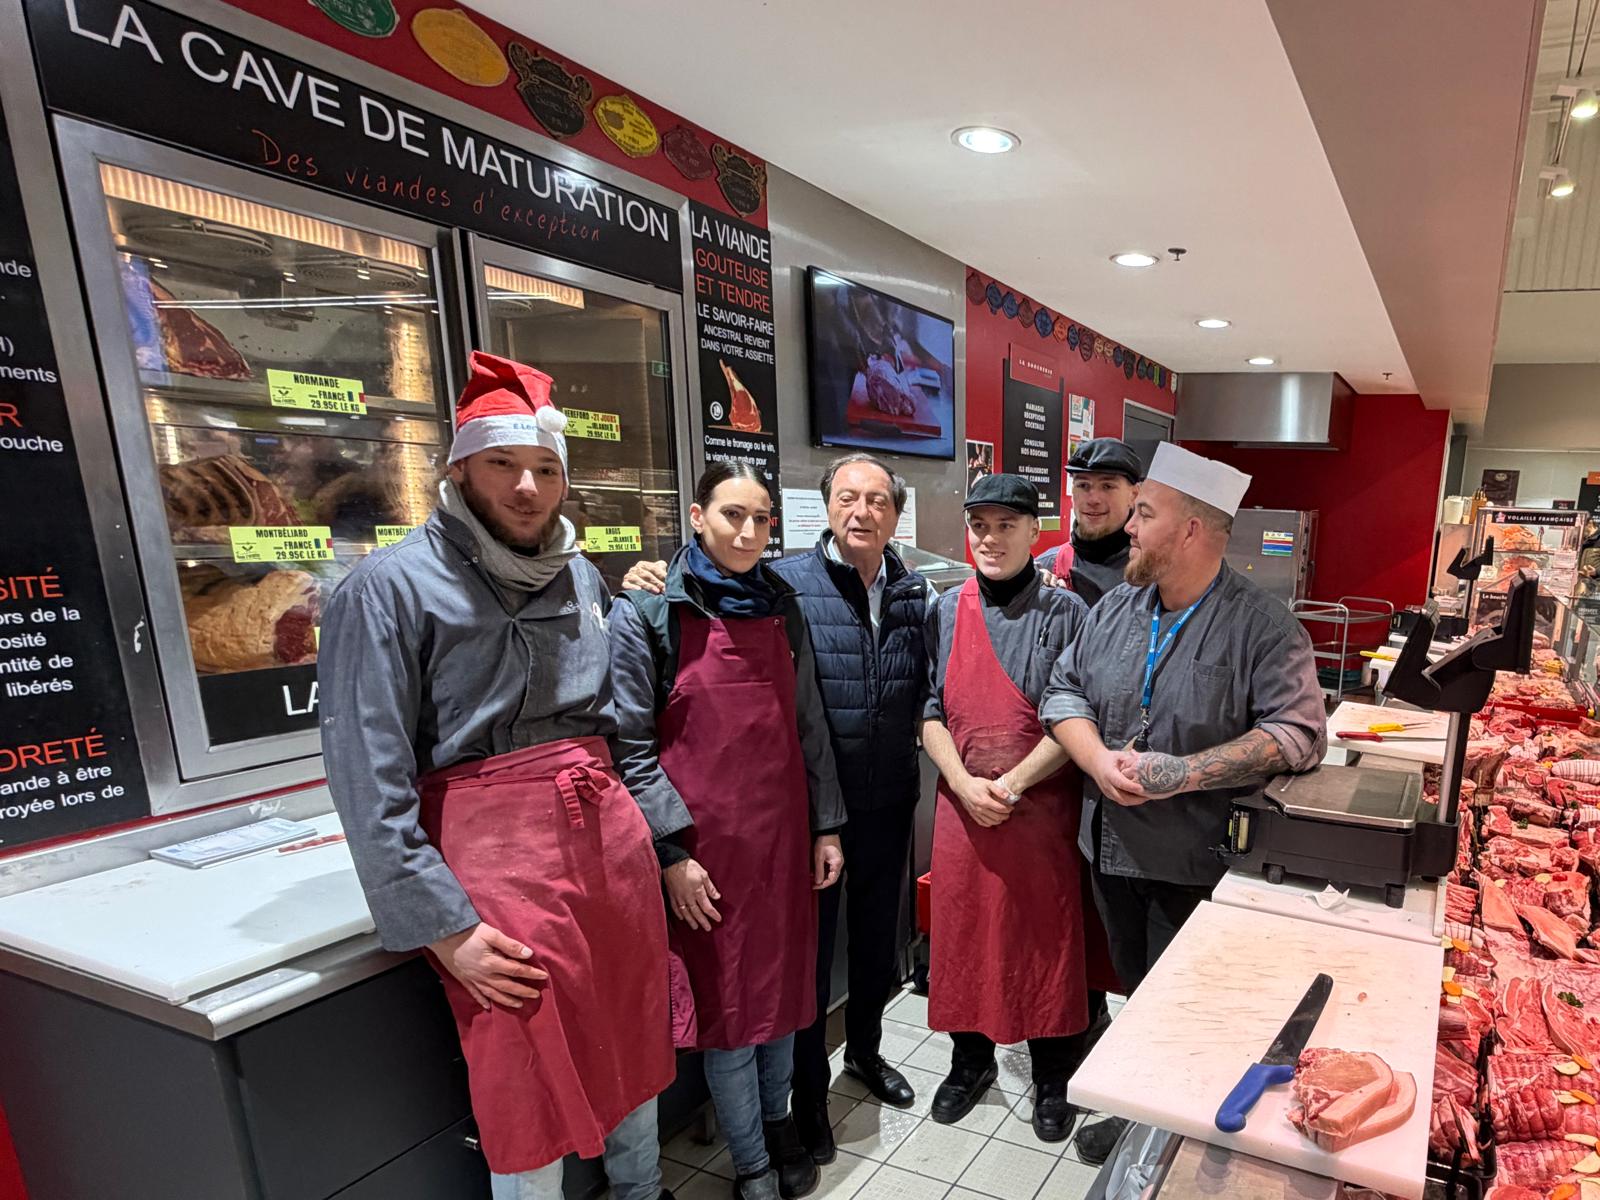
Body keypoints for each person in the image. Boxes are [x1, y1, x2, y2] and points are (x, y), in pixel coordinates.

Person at [320, 351, 674, 1200]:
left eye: (546, 469)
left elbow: (617, 724)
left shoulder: (580, 575)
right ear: (458, 470)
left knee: (632, 1031)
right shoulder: (386, 588)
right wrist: (445, 927)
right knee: (524, 1071)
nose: (527, 488)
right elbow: (367, 777)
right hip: (494, 871)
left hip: (607, 849)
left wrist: (658, 838)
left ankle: (642, 1190)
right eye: (502, 465)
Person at [622, 453, 930, 1165]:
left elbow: (886, 699)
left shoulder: (910, 591)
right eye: (847, 497)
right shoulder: (783, 586)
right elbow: (636, 741)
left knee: (867, 951)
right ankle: (804, 1106)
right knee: (796, 973)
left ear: (896, 514)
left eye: (878, 500)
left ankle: (863, 1055)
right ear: (825, 507)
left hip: (872, 804)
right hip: (782, 822)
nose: (862, 511)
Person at [1040, 442, 1327, 1165]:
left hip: (1198, 864)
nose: (1127, 526)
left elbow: (1299, 733)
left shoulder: (1263, 626)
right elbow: (1063, 690)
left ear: (1192, 528)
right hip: (1109, 850)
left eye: (1143, 512)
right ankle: (1143, 1114)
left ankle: (1177, 1135)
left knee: (1194, 1013)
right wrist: (1096, 758)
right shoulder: (1115, 610)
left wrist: (1185, 773)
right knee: (1135, 994)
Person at [609, 462, 847, 1200]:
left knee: (781, 1003)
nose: (748, 532)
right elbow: (628, 749)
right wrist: (671, 854)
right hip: (705, 855)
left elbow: (809, 724)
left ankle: (777, 1127)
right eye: (732, 515)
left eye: (762, 518)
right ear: (696, 516)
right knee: (731, 1016)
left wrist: (826, 827)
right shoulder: (648, 612)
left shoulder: (782, 604)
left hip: (781, 841)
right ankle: (751, 1166)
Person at [920, 474, 1093, 1142]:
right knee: (963, 936)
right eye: (979, 526)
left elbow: (1078, 715)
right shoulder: (945, 608)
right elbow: (928, 710)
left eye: (1005, 526)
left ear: (1034, 532)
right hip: (963, 809)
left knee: (1044, 941)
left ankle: (1053, 1075)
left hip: (1041, 812)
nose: (990, 539)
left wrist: (1013, 784)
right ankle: (971, 1063)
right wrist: (964, 783)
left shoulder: (1066, 612)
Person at [1036, 437, 1143, 605]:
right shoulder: (1046, 568)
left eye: (1107, 486)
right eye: (1083, 485)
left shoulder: (1154, 571)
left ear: (1133, 495)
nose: (1093, 499)